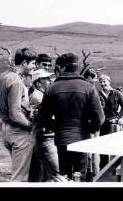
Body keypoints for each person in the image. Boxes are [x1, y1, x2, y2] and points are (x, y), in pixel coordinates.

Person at [39, 53, 105, 181]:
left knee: (65, 177)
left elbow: (43, 119)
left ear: (62, 68)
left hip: (62, 139)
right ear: (76, 67)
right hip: (82, 139)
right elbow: (100, 119)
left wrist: (58, 127)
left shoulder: (51, 89)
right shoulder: (88, 87)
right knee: (80, 176)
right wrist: (88, 128)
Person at [0, 48, 37, 181]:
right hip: (18, 132)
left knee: (17, 173)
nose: (34, 67)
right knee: (20, 178)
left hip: (6, 129)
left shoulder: (4, 76)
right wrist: (31, 126)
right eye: (33, 63)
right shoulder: (16, 81)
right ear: (24, 63)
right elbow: (15, 113)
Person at [29, 69, 67, 182]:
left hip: (47, 136)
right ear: (38, 83)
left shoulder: (43, 95)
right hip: (45, 137)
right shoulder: (38, 96)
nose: (50, 80)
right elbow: (53, 114)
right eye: (46, 79)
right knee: (57, 175)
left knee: (49, 176)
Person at [98, 74, 123, 170]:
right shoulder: (98, 94)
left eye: (104, 81)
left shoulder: (116, 93)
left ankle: (118, 167)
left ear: (109, 81)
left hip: (114, 123)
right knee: (103, 146)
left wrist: (118, 117)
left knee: (115, 145)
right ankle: (103, 169)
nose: (103, 84)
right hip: (103, 124)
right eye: (101, 82)